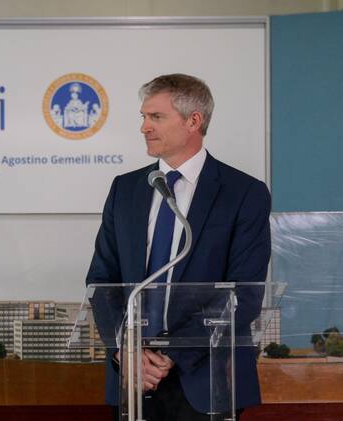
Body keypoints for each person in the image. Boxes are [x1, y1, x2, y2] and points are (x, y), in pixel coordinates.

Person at [86, 74, 270, 420]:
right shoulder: (125, 190)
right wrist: (126, 352)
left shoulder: (243, 193)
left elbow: (243, 295)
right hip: (134, 380)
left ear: (193, 121)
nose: (144, 127)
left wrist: (167, 355)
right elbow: (100, 282)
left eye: (156, 117)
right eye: (143, 117)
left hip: (207, 377)